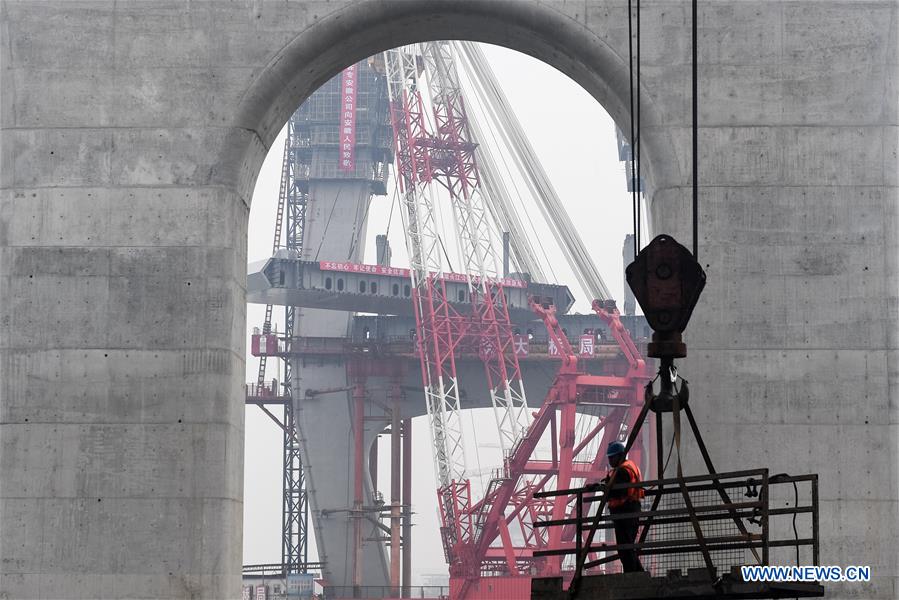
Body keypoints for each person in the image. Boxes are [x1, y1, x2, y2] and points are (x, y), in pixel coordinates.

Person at [603, 440, 645, 573]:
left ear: (620, 456)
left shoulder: (622, 471)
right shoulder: (629, 467)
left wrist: (606, 489)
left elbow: (617, 491)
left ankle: (632, 575)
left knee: (624, 548)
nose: (610, 460)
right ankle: (638, 574)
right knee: (628, 546)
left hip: (625, 512)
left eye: (612, 457)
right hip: (631, 510)